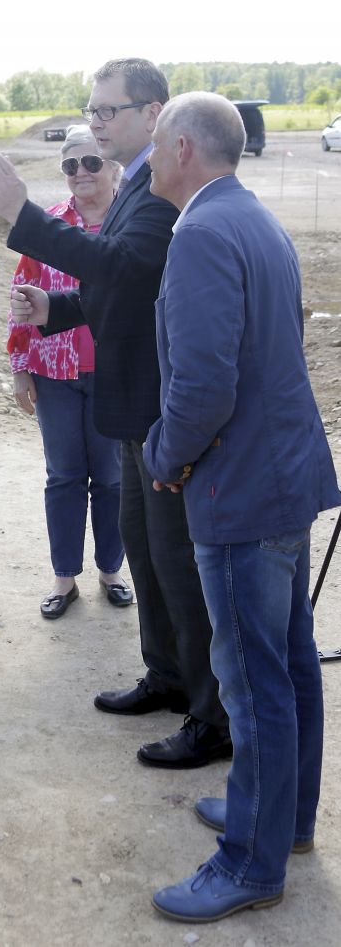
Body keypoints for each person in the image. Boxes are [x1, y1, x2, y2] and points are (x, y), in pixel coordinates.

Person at [0, 58, 229, 769]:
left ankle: (211, 716)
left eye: (107, 110)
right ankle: (167, 675)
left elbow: (122, 266)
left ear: (153, 114)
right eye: (91, 110)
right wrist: (56, 309)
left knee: (175, 561)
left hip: (156, 408)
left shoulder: (159, 187)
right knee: (145, 551)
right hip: (131, 404)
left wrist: (22, 214)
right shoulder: (138, 179)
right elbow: (121, 283)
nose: (95, 122)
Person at [142, 91, 340, 923]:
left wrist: (164, 456)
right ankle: (284, 817)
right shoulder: (253, 217)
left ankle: (251, 861)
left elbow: (203, 387)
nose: (149, 159)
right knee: (287, 662)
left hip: (241, 489)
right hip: (282, 477)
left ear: (185, 148)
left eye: (157, 144)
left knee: (255, 682)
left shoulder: (201, 234)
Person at [7, 125, 130, 617]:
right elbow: (20, 299)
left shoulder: (133, 223)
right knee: (63, 476)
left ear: (114, 167)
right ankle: (64, 578)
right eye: (70, 165)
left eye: (92, 162)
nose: (81, 172)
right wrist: (20, 368)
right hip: (54, 374)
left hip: (115, 375)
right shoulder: (49, 226)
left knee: (112, 478)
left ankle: (111, 570)